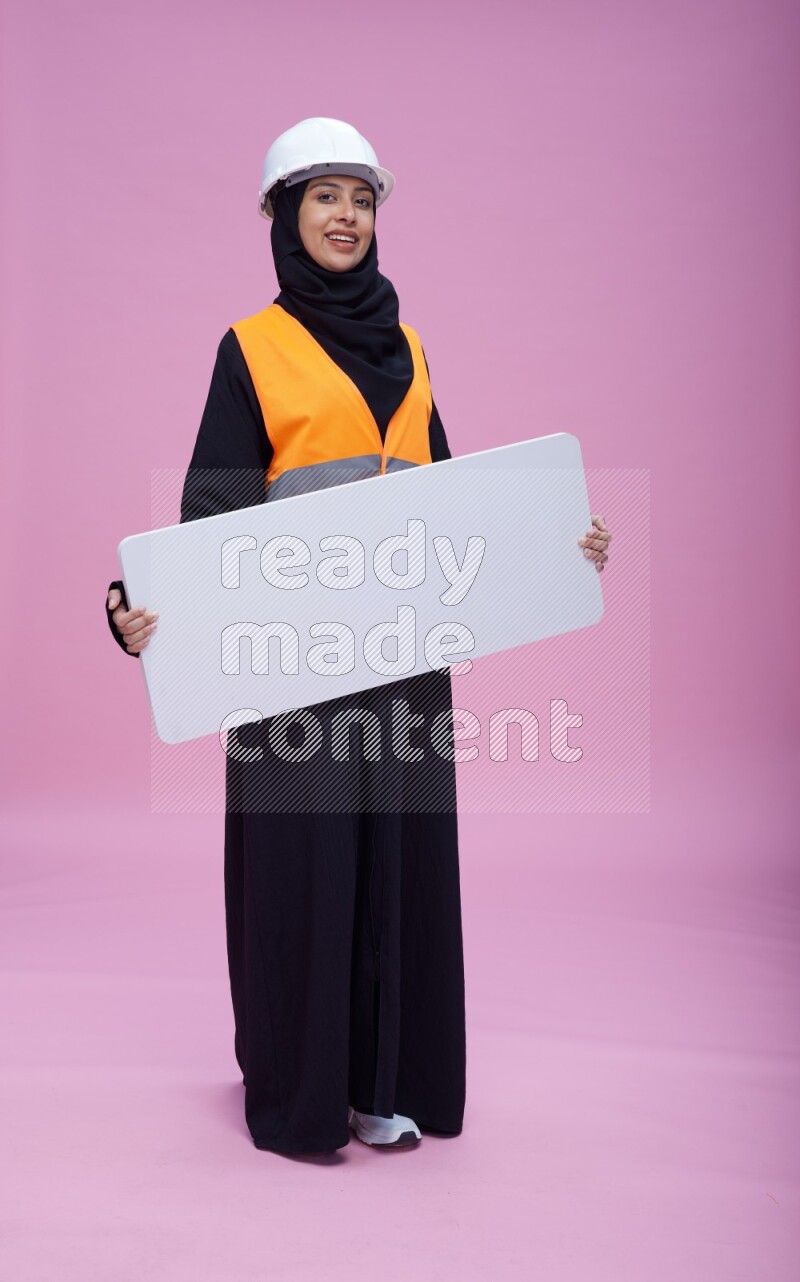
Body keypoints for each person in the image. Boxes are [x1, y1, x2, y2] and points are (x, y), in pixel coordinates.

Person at [106, 118, 613, 1157]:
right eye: (323, 196)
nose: (345, 215)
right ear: (282, 216)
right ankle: (304, 1091)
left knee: (398, 865)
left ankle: (385, 1082)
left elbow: (459, 505)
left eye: (361, 198)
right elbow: (212, 513)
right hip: (291, 668)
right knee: (305, 868)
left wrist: (559, 546)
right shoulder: (250, 346)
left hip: (407, 661)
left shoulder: (413, 347)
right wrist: (135, 608)